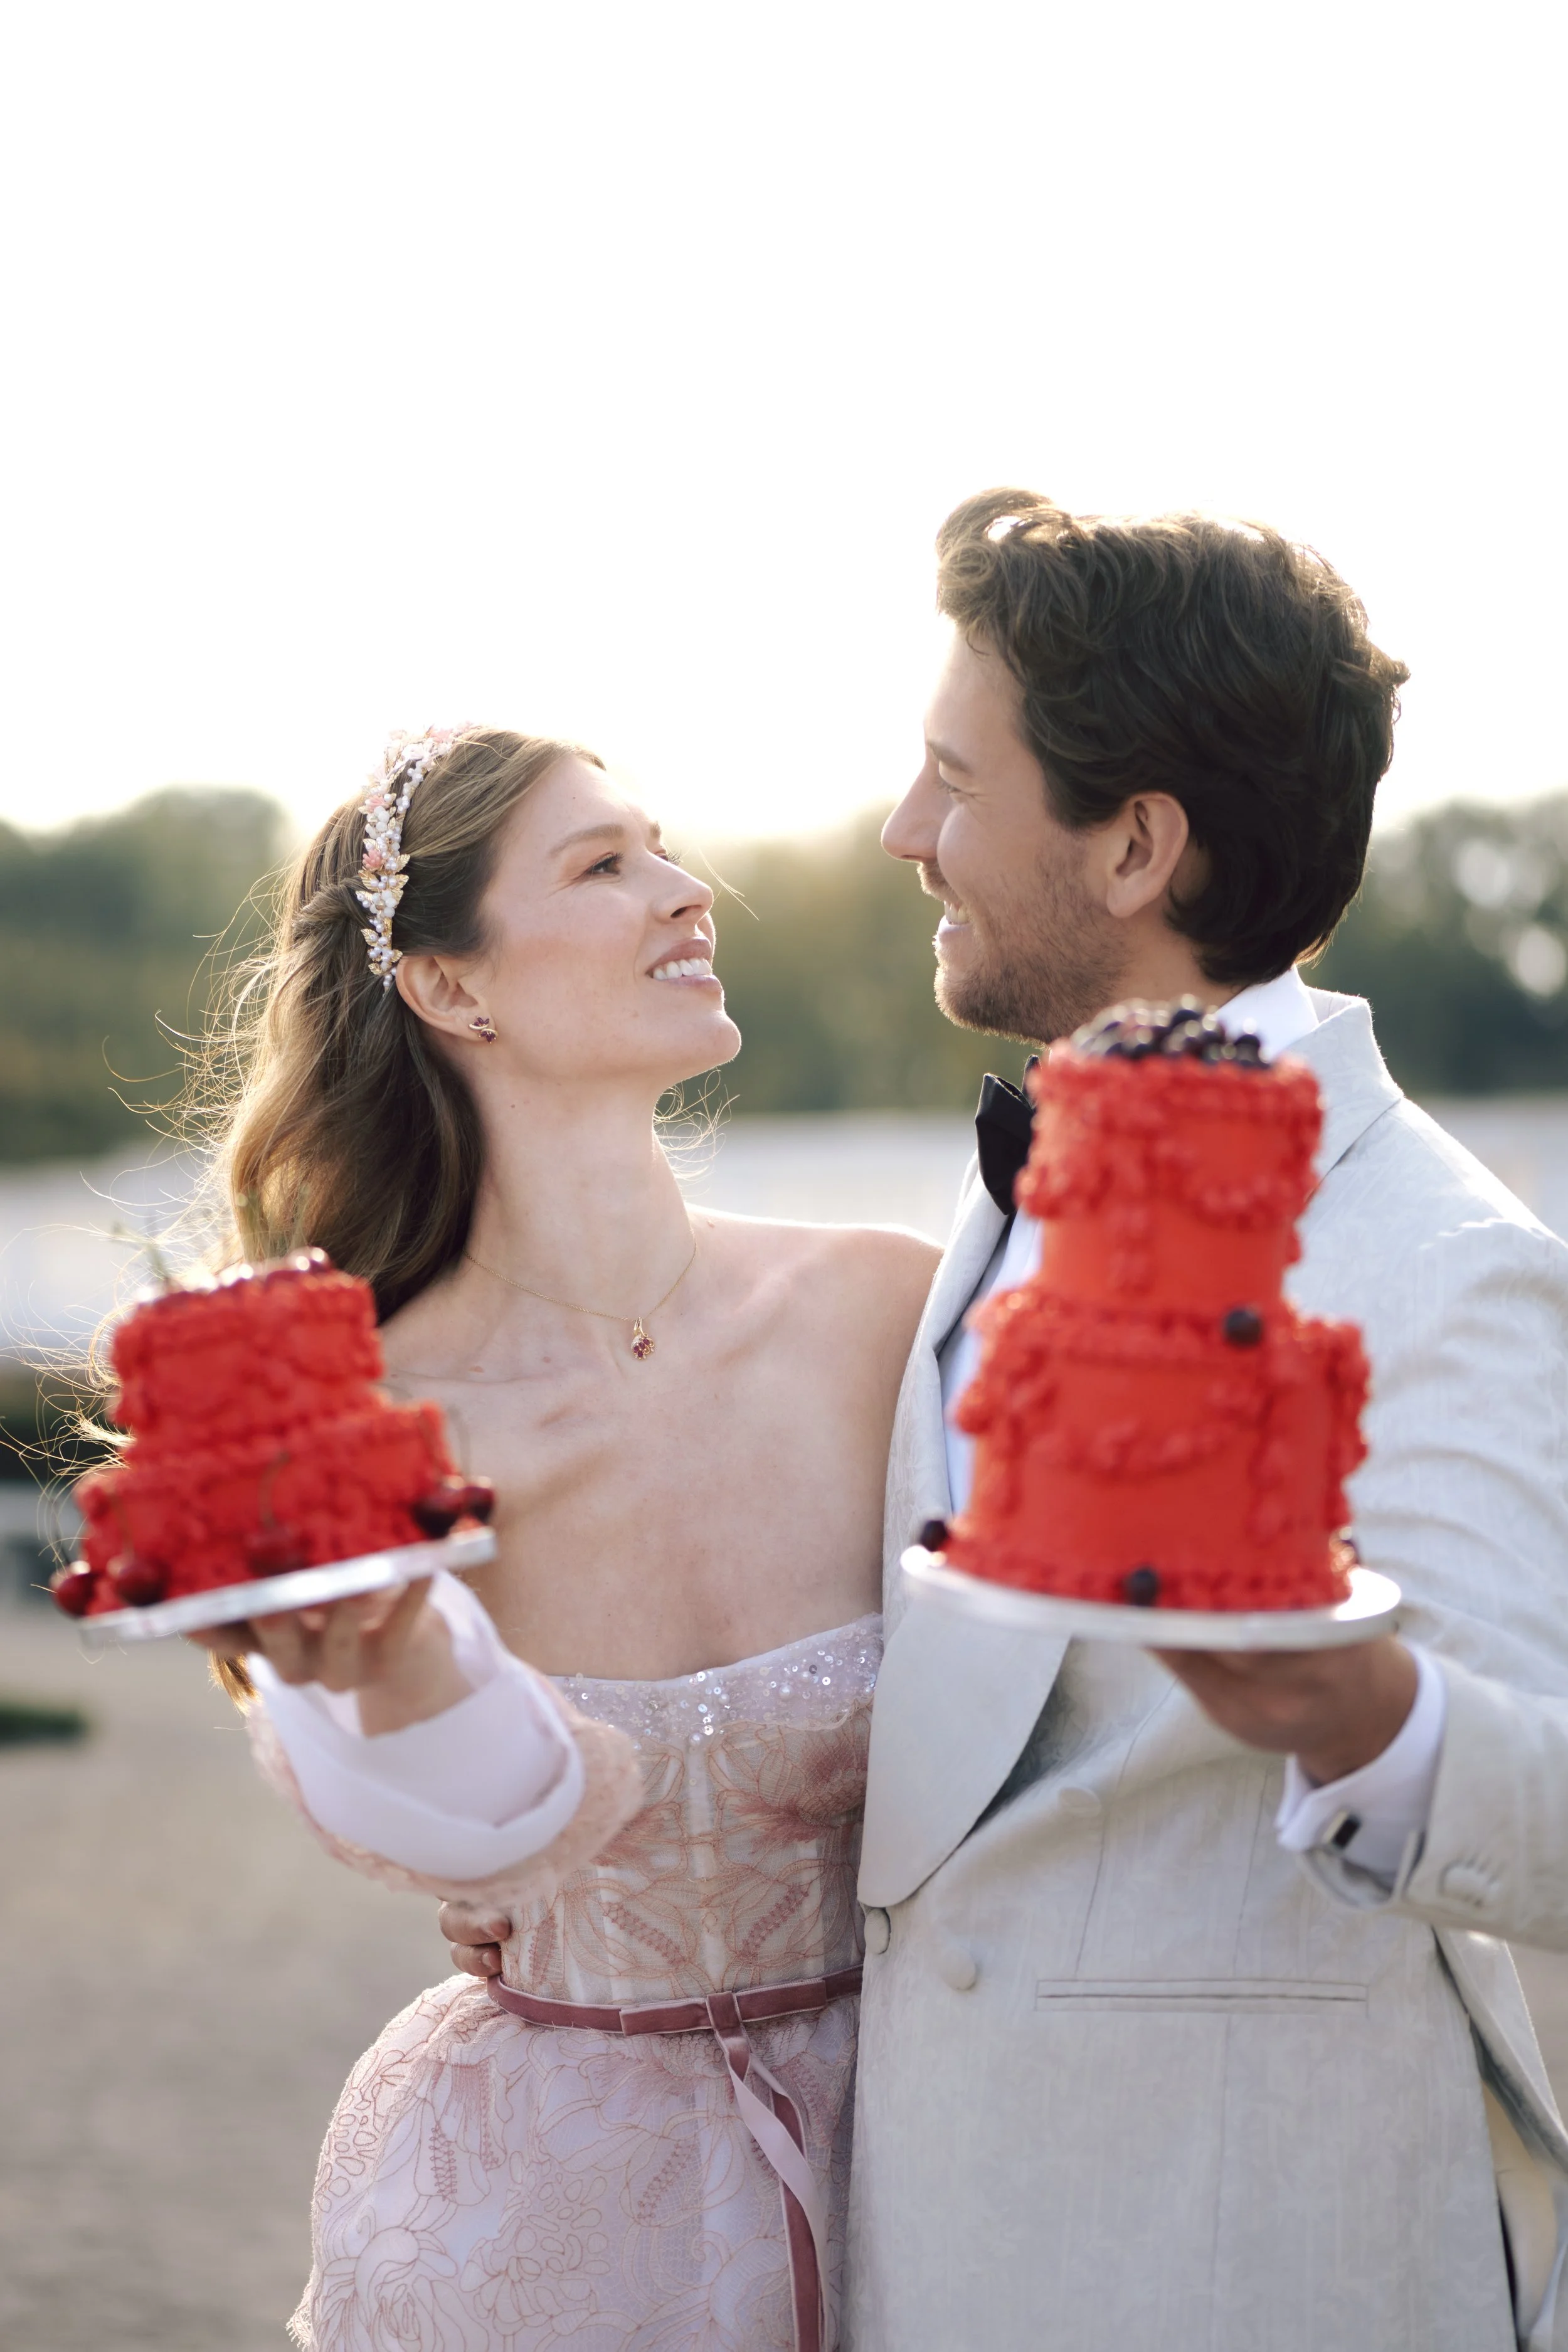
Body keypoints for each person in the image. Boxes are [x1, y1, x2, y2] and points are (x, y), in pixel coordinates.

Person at [838, 491, 1568, 2351]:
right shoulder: (1018, 1171)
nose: (904, 833)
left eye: (950, 778)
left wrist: (1357, 1711)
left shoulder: (1437, 1255)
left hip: (1232, 2258)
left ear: (1133, 847)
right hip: (938, 2243)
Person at [188, 726, 937, 2352]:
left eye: (662, 846)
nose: (688, 892)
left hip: (949, 2171)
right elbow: (433, 1822)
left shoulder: (894, 1308)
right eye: (605, 866)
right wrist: (398, 1701)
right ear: (454, 987)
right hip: (546, 2236)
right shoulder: (362, 1422)